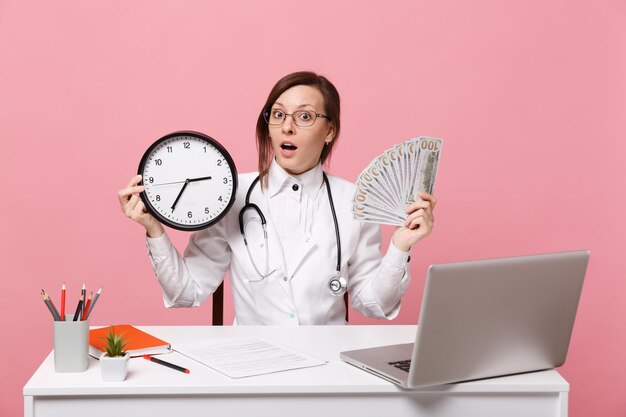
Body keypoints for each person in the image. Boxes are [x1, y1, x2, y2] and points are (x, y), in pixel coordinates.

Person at [118, 71, 437, 325]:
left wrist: (400, 246)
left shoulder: (352, 200)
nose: (287, 127)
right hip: (253, 365)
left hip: (326, 369)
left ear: (330, 131)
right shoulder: (231, 195)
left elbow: (374, 305)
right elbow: (187, 292)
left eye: (305, 117)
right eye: (278, 115)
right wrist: (154, 230)